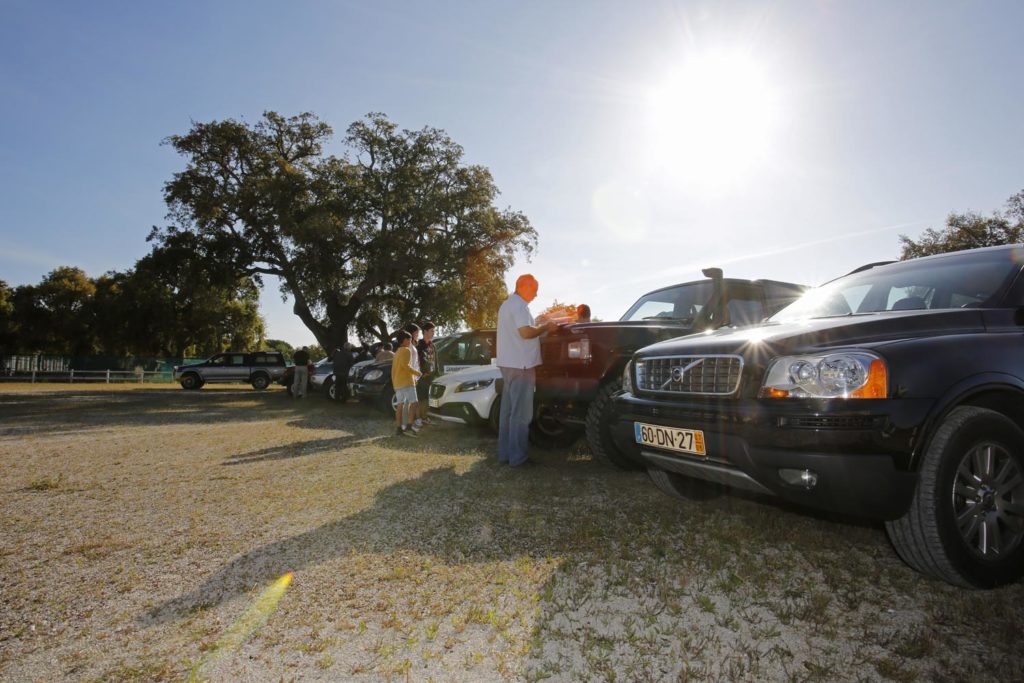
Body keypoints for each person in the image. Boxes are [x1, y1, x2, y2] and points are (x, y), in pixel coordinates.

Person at [496, 274, 559, 467]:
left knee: (508, 412)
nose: (536, 294)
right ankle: (519, 458)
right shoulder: (520, 306)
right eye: (534, 289)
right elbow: (525, 332)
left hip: (508, 364)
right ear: (524, 286)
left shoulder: (506, 305)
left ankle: (505, 455)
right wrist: (545, 327)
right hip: (521, 365)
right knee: (521, 414)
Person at [390, 330, 421, 437]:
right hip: (407, 382)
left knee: (400, 405)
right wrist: (417, 373)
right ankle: (409, 426)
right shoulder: (406, 350)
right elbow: (406, 366)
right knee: (414, 403)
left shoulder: (397, 352)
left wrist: (394, 383)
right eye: (408, 339)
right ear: (403, 340)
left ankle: (399, 429)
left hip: (398, 383)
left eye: (410, 339)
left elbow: (393, 370)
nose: (410, 341)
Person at [416, 321, 436, 425]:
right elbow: (418, 361)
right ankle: (419, 418)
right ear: (425, 331)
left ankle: (425, 417)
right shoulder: (419, 345)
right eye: (432, 331)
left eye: (434, 331)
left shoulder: (432, 345)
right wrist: (422, 373)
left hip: (431, 376)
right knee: (421, 398)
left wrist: (434, 372)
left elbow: (433, 360)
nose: (434, 333)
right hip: (422, 376)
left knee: (427, 398)